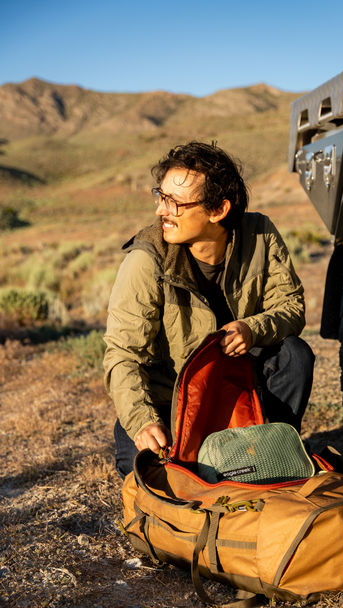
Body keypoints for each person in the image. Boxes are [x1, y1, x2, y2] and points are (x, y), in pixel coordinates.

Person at [104, 141, 315, 478]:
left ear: (218, 210)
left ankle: (272, 453)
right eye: (161, 196)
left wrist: (252, 329)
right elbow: (122, 355)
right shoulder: (146, 260)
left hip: (238, 393)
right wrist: (143, 421)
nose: (161, 211)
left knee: (294, 355)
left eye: (175, 203)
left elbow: (291, 306)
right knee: (151, 475)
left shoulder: (259, 235)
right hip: (172, 403)